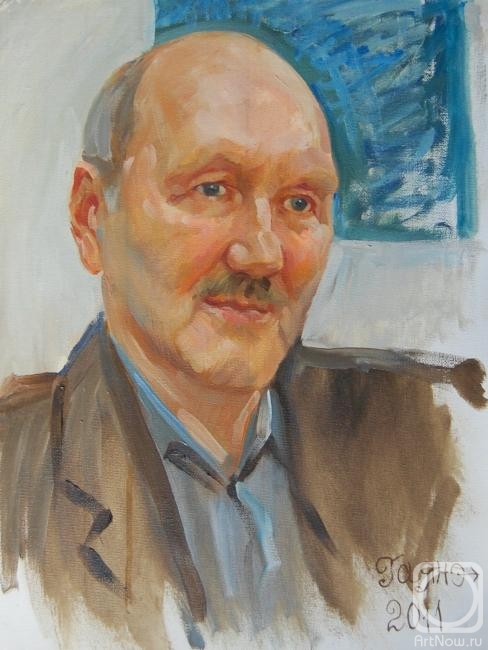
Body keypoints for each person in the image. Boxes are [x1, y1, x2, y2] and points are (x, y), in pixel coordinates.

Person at [0, 30, 483, 649]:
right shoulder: (14, 486)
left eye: (300, 202)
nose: (262, 253)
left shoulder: (435, 435)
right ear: (91, 216)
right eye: (213, 189)